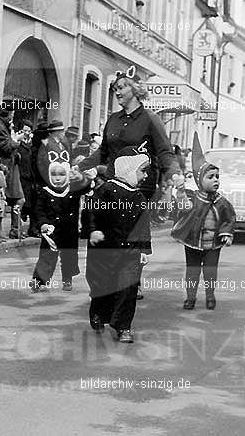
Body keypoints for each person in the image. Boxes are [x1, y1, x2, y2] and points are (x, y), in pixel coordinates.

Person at [77, 65, 184, 201]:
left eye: (121, 88)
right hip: (113, 183)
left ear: (135, 89)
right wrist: (79, 167)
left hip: (141, 187)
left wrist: (174, 174)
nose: (117, 93)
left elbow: (165, 152)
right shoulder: (114, 119)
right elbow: (103, 152)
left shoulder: (151, 119)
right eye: (115, 89)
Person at [84, 145, 152, 343]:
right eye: (143, 170)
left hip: (130, 253)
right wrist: (93, 230)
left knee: (128, 288)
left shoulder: (139, 197)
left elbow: (143, 226)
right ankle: (98, 313)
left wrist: (143, 249)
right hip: (104, 250)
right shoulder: (105, 191)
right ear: (128, 169)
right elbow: (91, 212)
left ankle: (123, 326)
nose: (145, 176)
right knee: (102, 286)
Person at [171, 134, 235, 310]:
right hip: (193, 242)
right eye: (211, 177)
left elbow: (229, 217)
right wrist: (181, 189)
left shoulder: (222, 201)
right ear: (200, 180)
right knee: (192, 271)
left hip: (213, 244)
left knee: (210, 271)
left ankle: (210, 296)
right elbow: (184, 208)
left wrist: (226, 234)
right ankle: (190, 298)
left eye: (217, 177)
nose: (215, 180)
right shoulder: (193, 197)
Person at [29, 121, 91, 293]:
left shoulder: (73, 188)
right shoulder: (46, 191)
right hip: (51, 227)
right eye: (54, 175)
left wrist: (80, 177)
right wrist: (42, 223)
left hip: (69, 227)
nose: (58, 178)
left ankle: (67, 278)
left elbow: (88, 186)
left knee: (69, 255)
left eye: (61, 174)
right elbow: (39, 210)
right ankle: (40, 280)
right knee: (47, 254)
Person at [0, 107, 26, 239]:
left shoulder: (3, 125)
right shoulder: (0, 127)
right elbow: (6, 147)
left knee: (17, 200)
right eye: (11, 116)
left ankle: (14, 229)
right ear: (6, 116)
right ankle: (1, 232)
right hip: (4, 169)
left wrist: (16, 155)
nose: (12, 119)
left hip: (10, 168)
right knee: (2, 202)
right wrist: (16, 140)